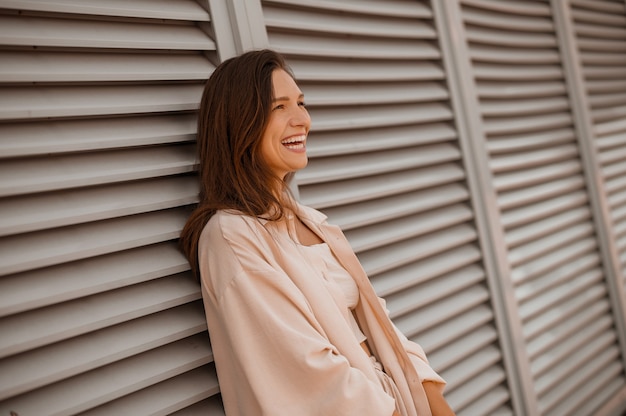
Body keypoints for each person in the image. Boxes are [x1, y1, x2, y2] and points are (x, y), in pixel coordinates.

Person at [180, 49, 454, 416]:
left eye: (301, 103)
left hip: (397, 398)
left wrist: (436, 402)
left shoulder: (310, 220)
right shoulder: (230, 236)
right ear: (238, 122)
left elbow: (382, 327)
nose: (302, 120)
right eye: (279, 107)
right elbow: (305, 369)